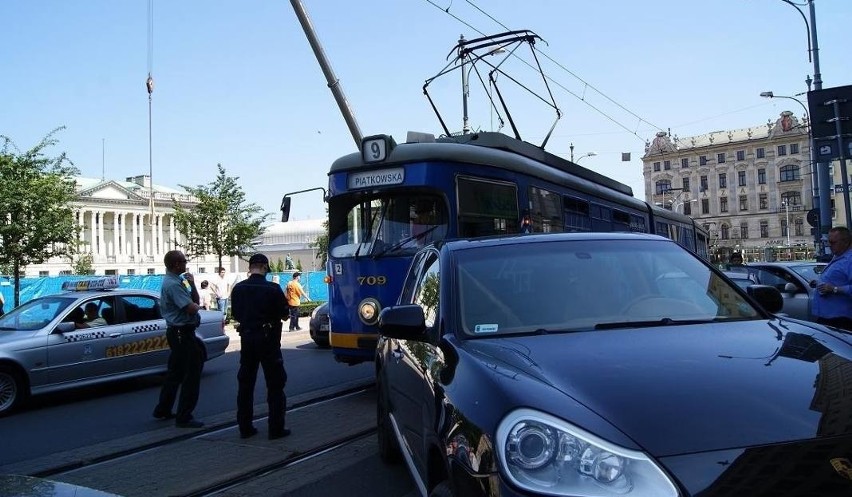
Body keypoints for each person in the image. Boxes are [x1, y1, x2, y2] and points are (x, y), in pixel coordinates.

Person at [230, 253, 290, 440]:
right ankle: (275, 429)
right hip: (268, 340)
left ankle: (245, 428)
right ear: (265, 267)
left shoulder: (238, 288)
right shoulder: (272, 289)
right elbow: (284, 314)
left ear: (250, 267)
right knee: (275, 384)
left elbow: (236, 314)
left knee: (246, 384)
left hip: (247, 339)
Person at [152, 250, 205, 428]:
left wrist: (192, 285)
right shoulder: (173, 284)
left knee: (175, 373)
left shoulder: (175, 281)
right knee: (192, 374)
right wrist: (198, 305)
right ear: (176, 264)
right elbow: (191, 307)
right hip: (183, 334)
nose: (185, 264)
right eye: (183, 261)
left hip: (179, 333)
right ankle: (184, 416)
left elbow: (192, 300)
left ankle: (163, 408)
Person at [810, 227, 852, 331]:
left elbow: (835, 286)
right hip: (828, 318)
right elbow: (837, 279)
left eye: (833, 242)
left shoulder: (849, 260)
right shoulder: (837, 256)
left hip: (841, 320)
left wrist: (834, 289)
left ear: (846, 242)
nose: (829, 245)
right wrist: (818, 283)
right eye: (828, 242)